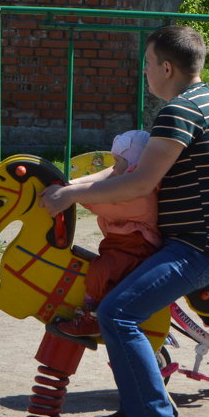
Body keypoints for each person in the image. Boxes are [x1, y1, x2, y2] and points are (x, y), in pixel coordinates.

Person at [40, 24, 209, 417]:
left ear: (167, 67)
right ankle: (139, 404)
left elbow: (138, 183)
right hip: (205, 242)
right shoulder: (204, 103)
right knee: (121, 306)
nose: (145, 72)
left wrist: (71, 194)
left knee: (117, 314)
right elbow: (129, 175)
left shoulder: (180, 112)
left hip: (200, 248)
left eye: (148, 64)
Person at [48, 130, 161, 346]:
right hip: (121, 244)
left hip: (136, 246)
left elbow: (107, 202)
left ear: (135, 164)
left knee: (101, 272)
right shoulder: (127, 174)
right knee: (99, 269)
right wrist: (70, 186)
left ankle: (92, 320)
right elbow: (107, 176)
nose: (115, 167)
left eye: (120, 161)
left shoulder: (139, 192)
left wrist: (74, 196)